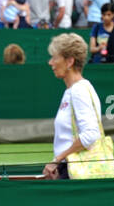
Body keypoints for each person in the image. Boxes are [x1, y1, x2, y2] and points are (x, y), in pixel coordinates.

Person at [42, 33, 106, 179]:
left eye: (54, 57)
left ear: (69, 61)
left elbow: (91, 134)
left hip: (77, 172)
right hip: (71, 169)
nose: (50, 63)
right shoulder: (74, 90)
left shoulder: (79, 90)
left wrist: (57, 160)